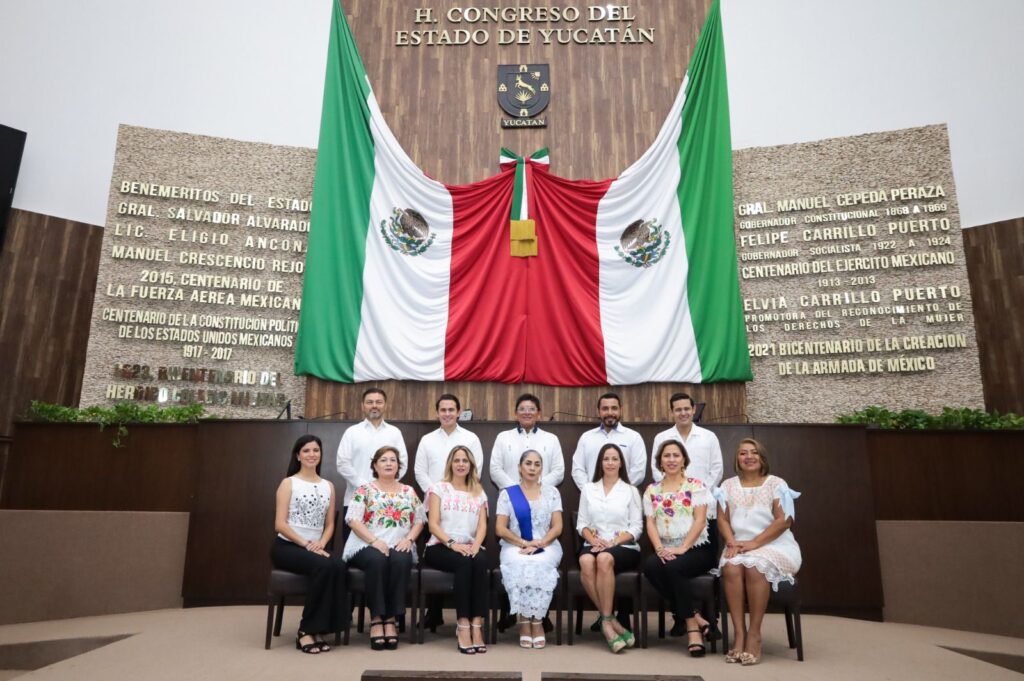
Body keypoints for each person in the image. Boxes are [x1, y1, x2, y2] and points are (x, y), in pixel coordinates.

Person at [713, 438, 802, 666]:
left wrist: (755, 543)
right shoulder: (727, 485)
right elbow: (722, 519)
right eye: (743, 453)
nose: (749, 457)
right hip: (738, 544)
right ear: (737, 459)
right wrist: (731, 542)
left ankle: (754, 634)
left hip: (775, 545)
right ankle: (739, 634)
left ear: (762, 458)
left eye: (754, 453)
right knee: (732, 568)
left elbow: (784, 521)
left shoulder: (776, 483)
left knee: (754, 569)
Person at [270, 434, 348, 654]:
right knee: (323, 566)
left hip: (316, 547)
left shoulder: (328, 486)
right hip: (288, 546)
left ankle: (322, 629)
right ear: (298, 455)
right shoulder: (288, 483)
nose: (312, 454)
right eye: (306, 451)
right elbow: (280, 524)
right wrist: (307, 544)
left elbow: (330, 523)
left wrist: (321, 543)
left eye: (316, 450)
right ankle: (305, 631)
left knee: (339, 565)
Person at [343, 445, 424, 651]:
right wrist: (374, 541)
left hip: (399, 543)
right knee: (377, 559)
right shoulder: (365, 490)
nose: (389, 463)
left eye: (393, 460)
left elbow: (419, 521)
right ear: (375, 466)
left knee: (400, 559)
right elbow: (353, 520)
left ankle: (392, 618)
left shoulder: (408, 491)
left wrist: (409, 540)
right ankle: (377, 618)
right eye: (384, 460)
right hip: (365, 543)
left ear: (398, 466)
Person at [642, 440, 717, 656]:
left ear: (684, 459)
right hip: (666, 547)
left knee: (674, 568)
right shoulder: (652, 490)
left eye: (676, 455)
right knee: (651, 566)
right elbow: (650, 523)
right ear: (660, 462)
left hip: (698, 547)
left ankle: (692, 630)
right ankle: (695, 615)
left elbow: (701, 521)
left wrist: (684, 547)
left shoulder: (696, 486)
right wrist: (658, 548)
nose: (671, 460)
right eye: (667, 456)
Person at [424, 445, 490, 654]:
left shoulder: (479, 492)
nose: (461, 464)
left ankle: (477, 625)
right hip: (441, 546)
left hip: (470, 545)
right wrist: (453, 544)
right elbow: (433, 524)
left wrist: (476, 547)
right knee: (463, 562)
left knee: (479, 560)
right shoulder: (438, 488)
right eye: (457, 460)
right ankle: (462, 625)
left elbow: (482, 526)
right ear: (450, 464)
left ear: (471, 465)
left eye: (465, 461)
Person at [577, 443, 642, 653]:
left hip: (623, 546)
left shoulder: (630, 491)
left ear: (621, 463)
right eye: (606, 459)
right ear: (600, 463)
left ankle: (605, 622)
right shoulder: (589, 488)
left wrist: (613, 542)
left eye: (615, 459)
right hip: (594, 544)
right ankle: (610, 621)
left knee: (604, 559)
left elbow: (636, 527)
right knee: (586, 560)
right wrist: (594, 541)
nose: (610, 463)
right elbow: (582, 523)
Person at [495, 449, 564, 649]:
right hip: (515, 544)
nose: (532, 468)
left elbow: (557, 526)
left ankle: (538, 620)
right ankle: (524, 621)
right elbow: (500, 528)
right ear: (519, 467)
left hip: (547, 544)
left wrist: (540, 544)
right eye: (528, 463)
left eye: (537, 464)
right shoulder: (508, 494)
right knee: (520, 562)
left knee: (540, 562)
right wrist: (524, 543)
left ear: (541, 468)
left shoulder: (552, 492)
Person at [337, 387, 409, 507]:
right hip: (356, 499)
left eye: (379, 402)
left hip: (387, 500)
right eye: (370, 402)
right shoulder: (352, 432)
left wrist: (385, 485)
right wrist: (366, 487)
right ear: (363, 406)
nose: (374, 405)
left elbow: (402, 463)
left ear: (385, 405)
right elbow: (342, 464)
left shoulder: (394, 432)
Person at [571, 392, 647, 488]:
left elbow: (638, 471)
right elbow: (578, 469)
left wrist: (619, 490)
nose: (610, 413)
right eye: (605, 408)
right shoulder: (586, 437)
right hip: (592, 499)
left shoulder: (634, 437)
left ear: (621, 410)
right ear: (598, 412)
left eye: (614, 408)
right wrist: (590, 491)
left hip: (623, 497)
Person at [490, 393, 564, 489]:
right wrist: (516, 489)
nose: (527, 412)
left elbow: (558, 471)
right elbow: (495, 469)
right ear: (516, 414)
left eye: (532, 409)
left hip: (542, 496)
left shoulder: (552, 439)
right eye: (522, 409)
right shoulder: (503, 437)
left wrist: (536, 487)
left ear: (538, 414)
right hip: (511, 497)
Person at [414, 393, 484, 494]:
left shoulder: (471, 438)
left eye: (451, 410)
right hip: (433, 500)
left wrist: (458, 494)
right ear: (437, 413)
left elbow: (476, 472)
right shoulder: (426, 440)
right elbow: (420, 472)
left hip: (463, 500)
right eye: (443, 410)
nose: (447, 414)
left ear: (458, 412)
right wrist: (435, 493)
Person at [651, 392, 722, 489]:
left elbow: (717, 468)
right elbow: (656, 468)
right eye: (678, 410)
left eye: (687, 409)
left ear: (694, 409)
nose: (683, 413)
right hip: (671, 498)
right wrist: (673, 490)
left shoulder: (709, 437)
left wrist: (702, 490)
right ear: (671, 412)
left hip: (703, 497)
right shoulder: (661, 438)